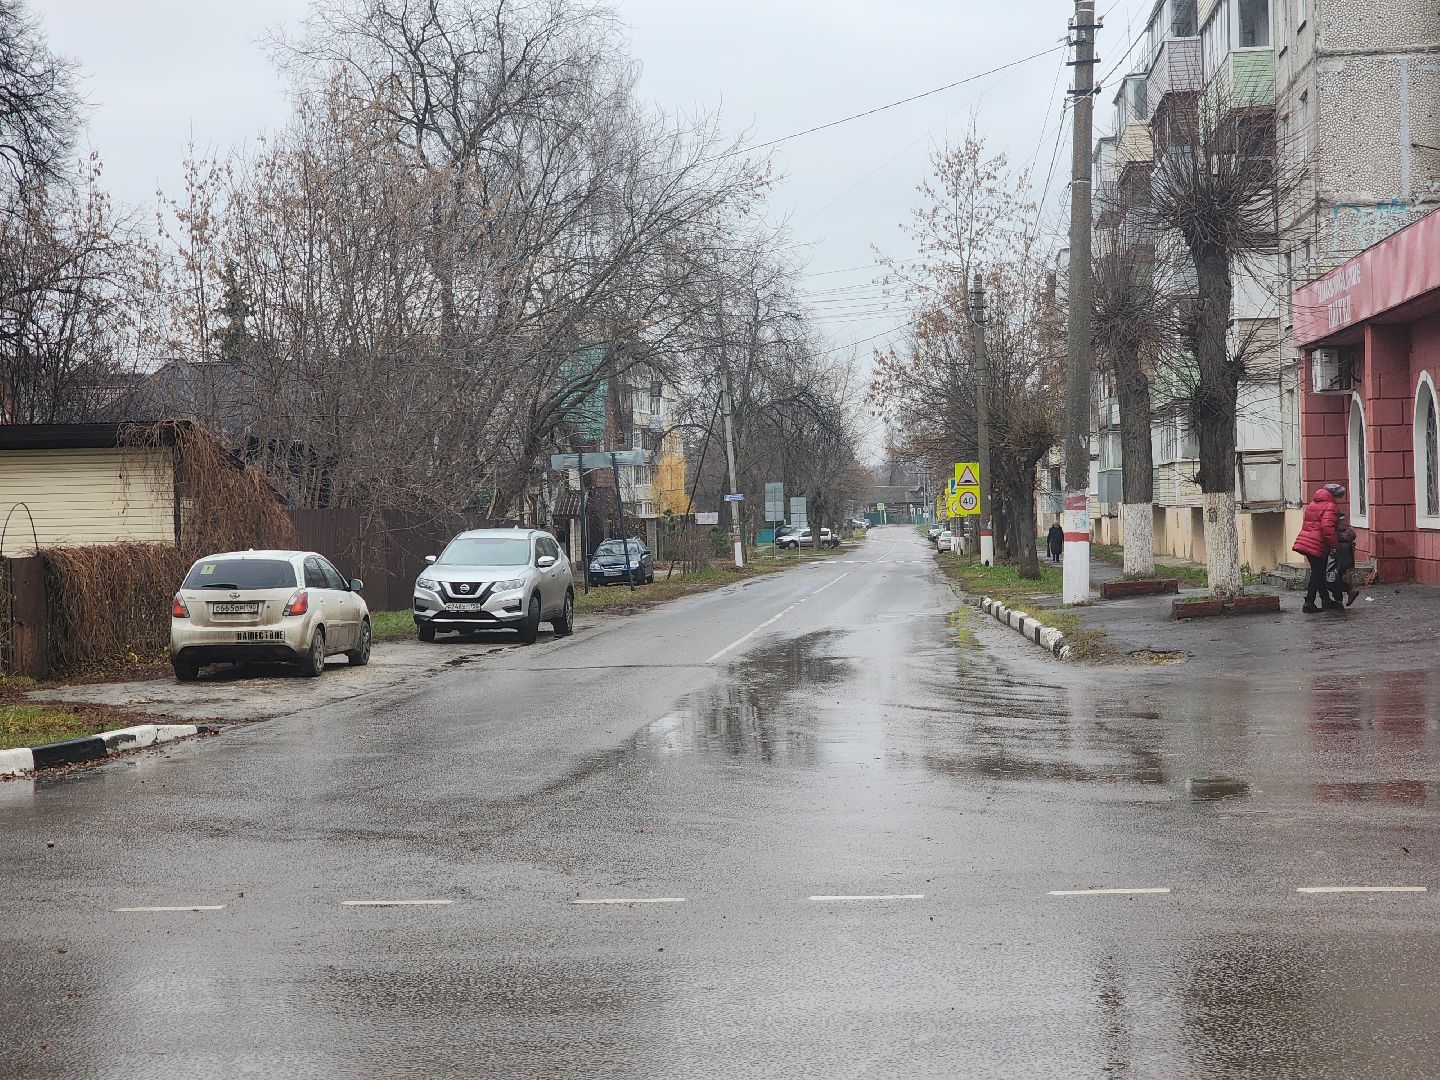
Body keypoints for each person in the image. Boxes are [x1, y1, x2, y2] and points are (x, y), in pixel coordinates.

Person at [1292, 482, 1346, 613]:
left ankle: (1325, 600)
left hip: (1307, 542)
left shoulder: (1313, 504)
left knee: (1319, 572)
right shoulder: (1330, 506)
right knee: (1317, 574)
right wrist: (1334, 545)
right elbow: (1326, 528)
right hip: (1317, 545)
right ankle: (1309, 602)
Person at [1327, 511, 1360, 607]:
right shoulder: (1347, 531)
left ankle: (1346, 593)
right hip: (1345, 559)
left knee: (1331, 579)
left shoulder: (1337, 532)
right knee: (1335, 578)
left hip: (1338, 558)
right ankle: (1341, 597)